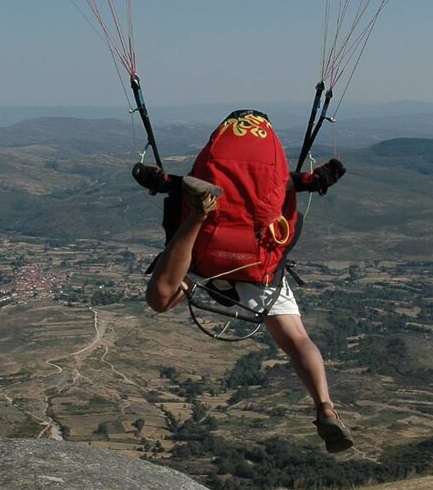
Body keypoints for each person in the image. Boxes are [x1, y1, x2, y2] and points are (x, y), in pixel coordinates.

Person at [133, 141, 354, 454]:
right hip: (256, 268)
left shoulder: (208, 167)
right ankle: (325, 407)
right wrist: (321, 178)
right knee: (297, 341)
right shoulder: (275, 178)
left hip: (204, 260)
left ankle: (199, 214)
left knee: (161, 298)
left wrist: (151, 177)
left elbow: (163, 181)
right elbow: (303, 183)